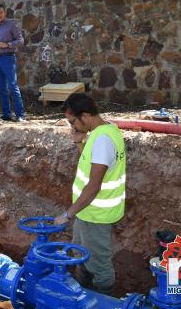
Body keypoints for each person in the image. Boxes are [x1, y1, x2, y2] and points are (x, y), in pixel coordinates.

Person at [53, 93, 127, 295]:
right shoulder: (105, 131)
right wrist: (79, 142)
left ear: (85, 116)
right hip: (87, 213)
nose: (72, 127)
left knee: (99, 267)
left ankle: (104, 300)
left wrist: (67, 214)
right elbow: (95, 161)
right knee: (81, 257)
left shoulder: (102, 139)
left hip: (96, 215)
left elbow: (93, 186)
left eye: (72, 122)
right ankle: (84, 294)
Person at [0, 3, 26, 122]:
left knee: (13, 86)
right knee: (1, 88)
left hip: (8, 59)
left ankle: (20, 115)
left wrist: (8, 44)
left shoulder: (11, 25)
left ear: (4, 13)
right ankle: (6, 114)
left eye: (0, 12)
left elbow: (21, 40)